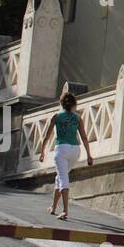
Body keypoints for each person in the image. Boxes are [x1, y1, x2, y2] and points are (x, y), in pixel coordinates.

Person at [39, 92, 93, 221]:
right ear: (74, 104)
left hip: (61, 150)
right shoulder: (78, 118)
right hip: (75, 150)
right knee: (60, 176)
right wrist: (89, 155)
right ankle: (53, 207)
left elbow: (47, 136)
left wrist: (42, 152)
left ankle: (65, 211)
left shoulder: (57, 116)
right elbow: (84, 137)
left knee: (63, 178)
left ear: (61, 103)